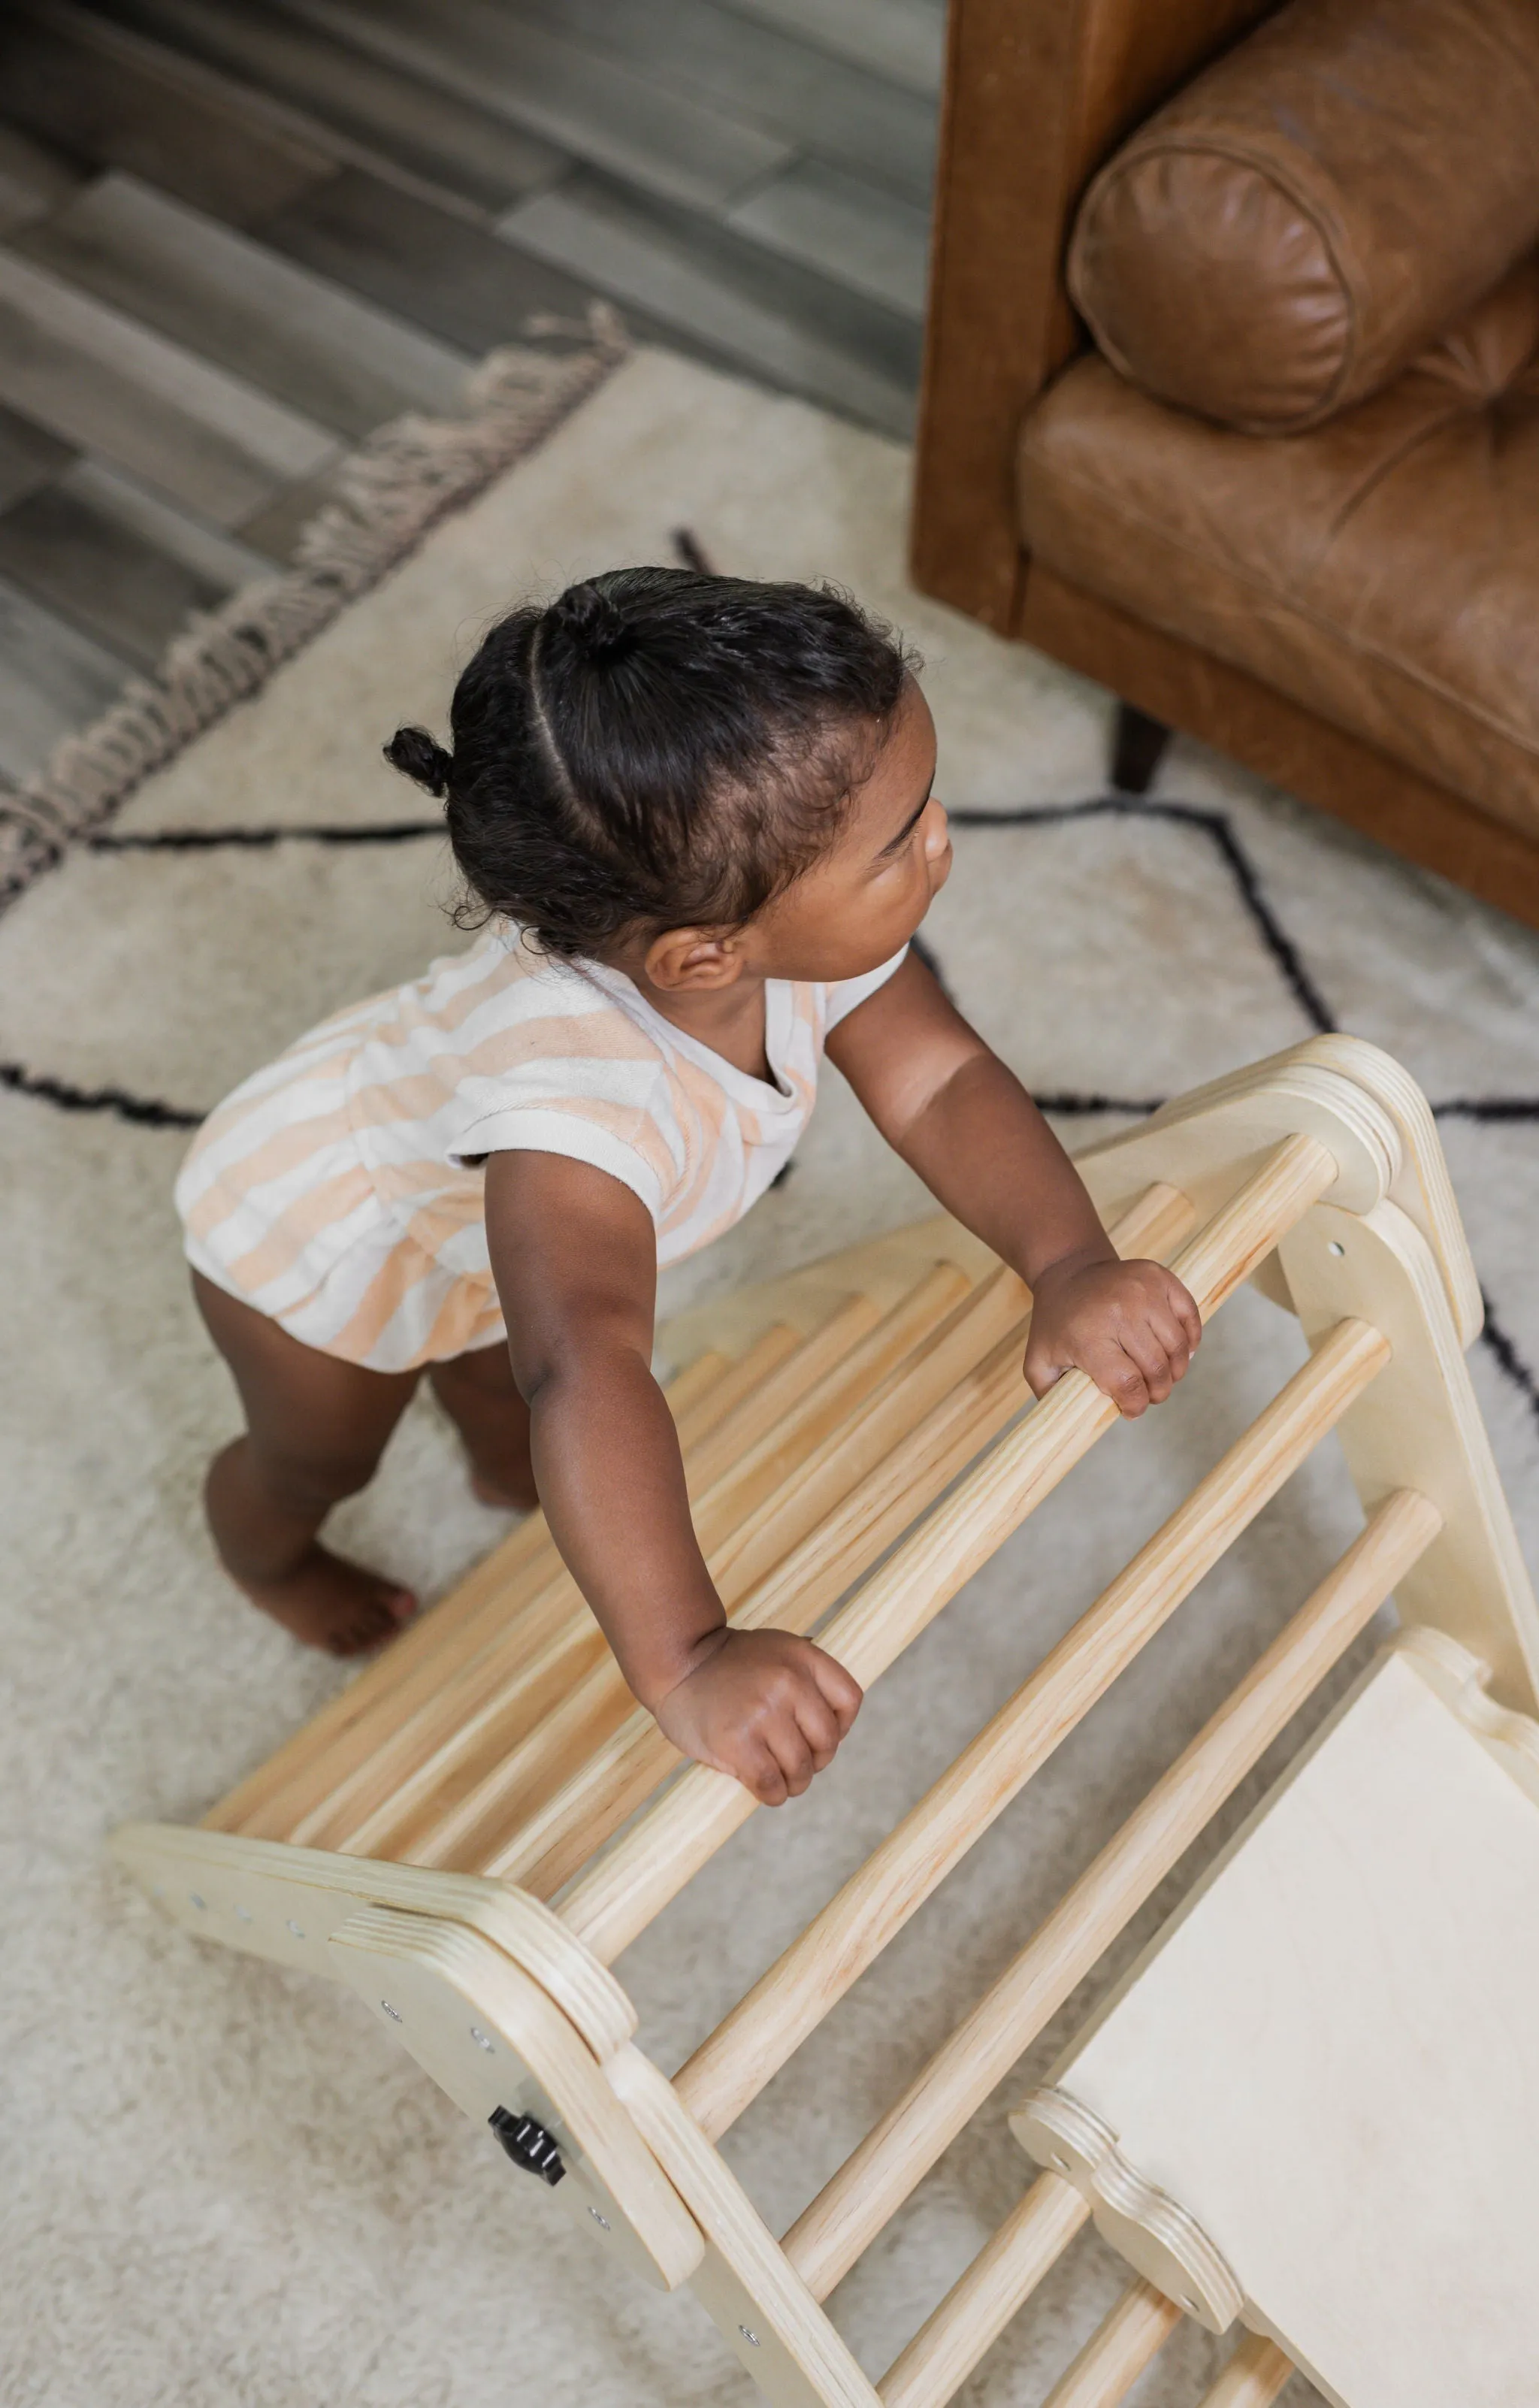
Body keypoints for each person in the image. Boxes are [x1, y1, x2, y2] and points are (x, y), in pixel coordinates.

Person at [177, 567, 1200, 1807]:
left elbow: (937, 1082)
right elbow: (591, 1361)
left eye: (924, 806)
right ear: (707, 955)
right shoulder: (572, 1113)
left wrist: (1072, 1264)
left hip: (465, 1220)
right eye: (901, 844)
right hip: (322, 1228)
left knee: (502, 1378)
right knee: (326, 1451)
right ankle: (268, 1559)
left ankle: (501, 1460)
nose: (942, 844)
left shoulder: (793, 930)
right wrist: (689, 1657)